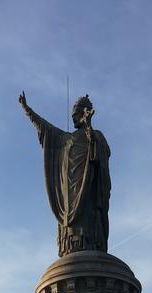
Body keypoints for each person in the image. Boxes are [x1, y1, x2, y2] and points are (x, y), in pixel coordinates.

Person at [19, 91, 111, 257]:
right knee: (69, 221)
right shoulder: (65, 139)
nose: (73, 118)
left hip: (88, 190)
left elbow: (102, 155)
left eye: (76, 114)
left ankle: (89, 243)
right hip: (68, 193)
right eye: (72, 115)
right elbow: (45, 127)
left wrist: (89, 128)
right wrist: (27, 109)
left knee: (88, 217)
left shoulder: (96, 136)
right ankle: (69, 246)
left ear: (85, 113)